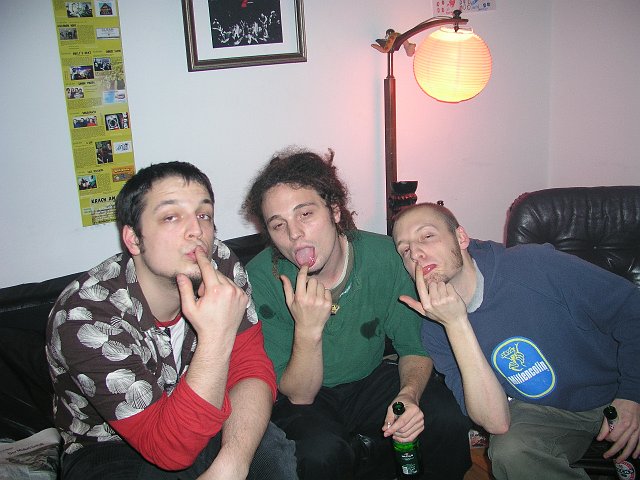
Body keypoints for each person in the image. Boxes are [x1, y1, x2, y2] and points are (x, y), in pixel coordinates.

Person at [46, 161, 298, 480]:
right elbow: (170, 450)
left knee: (272, 456)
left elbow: (251, 368)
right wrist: (216, 336)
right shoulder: (85, 316)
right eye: (171, 217)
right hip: (109, 444)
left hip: (207, 408)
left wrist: (233, 462)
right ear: (133, 239)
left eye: (203, 215)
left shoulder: (220, 264)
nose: (197, 231)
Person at [241, 148, 472, 480]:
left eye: (305, 214)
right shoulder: (263, 278)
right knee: (321, 453)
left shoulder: (384, 257)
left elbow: (414, 347)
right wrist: (308, 330)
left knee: (445, 417)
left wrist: (408, 395)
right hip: (305, 396)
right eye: (279, 225)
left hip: (370, 378)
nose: (294, 234)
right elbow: (299, 395)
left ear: (334, 210)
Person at [391, 202, 640, 480]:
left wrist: (632, 395)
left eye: (427, 236)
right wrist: (456, 324)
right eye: (405, 250)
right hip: (545, 413)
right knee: (510, 451)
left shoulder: (533, 265)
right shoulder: (434, 328)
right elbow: (495, 423)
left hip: (617, 384)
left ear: (461, 238)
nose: (416, 253)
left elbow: (632, 309)